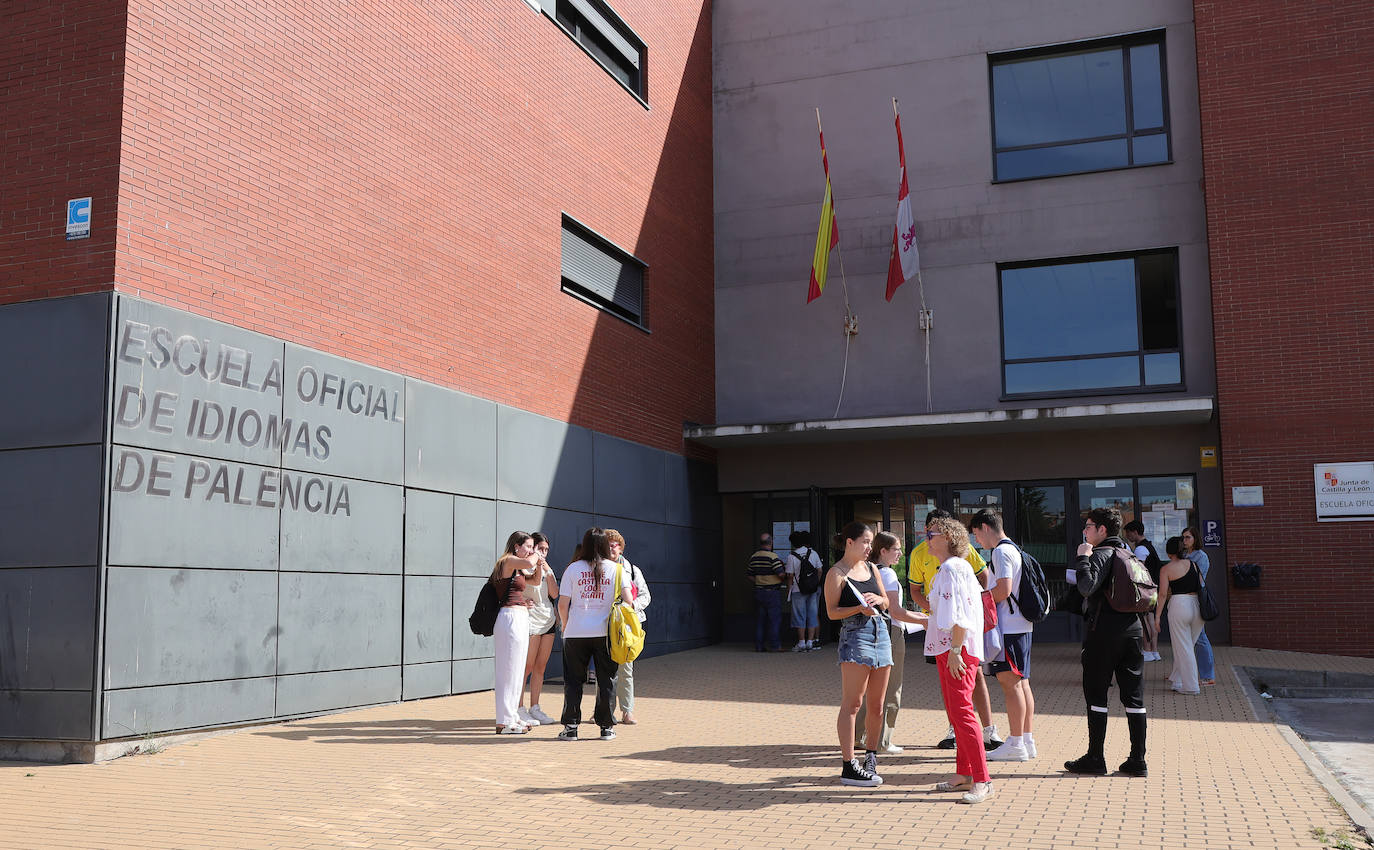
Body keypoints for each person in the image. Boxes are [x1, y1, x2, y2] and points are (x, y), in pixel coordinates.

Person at [908, 508, 1003, 751]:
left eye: (933, 534)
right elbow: (915, 591)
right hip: (941, 634)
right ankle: (955, 730)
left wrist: (977, 605)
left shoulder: (957, 559)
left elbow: (983, 576)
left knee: (973, 680)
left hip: (960, 636)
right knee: (953, 691)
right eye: (929, 533)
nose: (928, 538)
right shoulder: (919, 553)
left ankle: (989, 731)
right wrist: (935, 609)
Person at [1065, 507, 1148, 777]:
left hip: (1104, 633)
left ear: (1102, 530)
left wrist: (1082, 558)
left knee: (1097, 694)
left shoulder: (1101, 553)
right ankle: (1137, 760)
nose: (1084, 531)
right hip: (1133, 630)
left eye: (1088, 526)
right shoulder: (1127, 552)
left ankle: (1095, 758)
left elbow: (1086, 587)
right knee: (1134, 697)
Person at [924, 516, 993, 804]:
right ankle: (965, 773)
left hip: (957, 648)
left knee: (962, 712)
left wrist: (955, 650)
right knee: (957, 712)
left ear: (949, 538)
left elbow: (960, 614)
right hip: (952, 646)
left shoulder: (953, 568)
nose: (927, 538)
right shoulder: (952, 568)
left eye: (932, 534)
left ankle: (982, 779)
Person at [824, 521, 892, 787]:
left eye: (870, 542)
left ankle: (871, 757)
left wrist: (879, 601)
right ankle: (848, 765)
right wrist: (858, 609)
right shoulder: (836, 573)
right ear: (849, 542)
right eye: (865, 542)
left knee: (877, 705)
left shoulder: (872, 568)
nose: (869, 547)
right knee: (853, 703)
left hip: (881, 634)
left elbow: (886, 601)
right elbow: (832, 612)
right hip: (855, 636)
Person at [970, 510, 1037, 762]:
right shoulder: (1014, 549)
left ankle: (1016, 743)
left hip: (1008, 628)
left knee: (1011, 684)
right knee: (1021, 683)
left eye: (976, 534)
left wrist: (976, 601)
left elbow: (1003, 590)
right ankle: (1026, 740)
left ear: (985, 527)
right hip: (1021, 626)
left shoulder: (1000, 552)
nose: (977, 540)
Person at [557, 527, 634, 741]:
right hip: (606, 633)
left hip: (575, 632)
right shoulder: (617, 569)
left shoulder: (573, 569)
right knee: (607, 680)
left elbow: (562, 604)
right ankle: (606, 727)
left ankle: (571, 727)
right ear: (604, 546)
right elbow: (629, 602)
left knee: (573, 681)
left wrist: (566, 626)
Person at [856, 531, 927, 755]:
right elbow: (896, 611)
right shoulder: (887, 574)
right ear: (883, 551)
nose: (900, 554)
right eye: (896, 549)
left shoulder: (867, 570)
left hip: (873, 631)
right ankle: (883, 740)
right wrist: (924, 620)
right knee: (891, 688)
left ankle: (860, 736)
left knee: (870, 688)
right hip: (891, 633)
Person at [491, 531, 537, 734]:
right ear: (516, 546)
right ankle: (503, 721)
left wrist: (540, 565)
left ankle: (512, 716)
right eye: (528, 546)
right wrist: (536, 555)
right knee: (507, 671)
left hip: (519, 617)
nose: (531, 550)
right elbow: (529, 563)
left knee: (517, 670)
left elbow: (535, 580)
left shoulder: (518, 567)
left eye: (532, 547)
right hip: (508, 618)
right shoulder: (508, 560)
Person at [606, 529, 651, 725]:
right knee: (604, 670)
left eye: (614, 545)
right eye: (607, 545)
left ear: (621, 548)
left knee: (626, 669)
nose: (611, 548)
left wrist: (630, 607)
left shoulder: (632, 570)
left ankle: (627, 711)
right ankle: (603, 710)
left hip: (626, 627)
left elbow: (645, 596)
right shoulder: (598, 568)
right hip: (605, 624)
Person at [517, 532, 559, 728]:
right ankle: (519, 708)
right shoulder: (523, 567)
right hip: (531, 620)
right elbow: (516, 589)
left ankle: (535, 707)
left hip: (547, 620)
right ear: (532, 548)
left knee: (540, 667)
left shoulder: (546, 568)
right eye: (540, 548)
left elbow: (554, 593)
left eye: (546, 550)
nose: (543, 552)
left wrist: (547, 570)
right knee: (526, 667)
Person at [1155, 536, 1204, 695]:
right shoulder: (1194, 565)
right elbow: (1201, 585)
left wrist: (1157, 616)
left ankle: (1191, 686)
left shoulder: (1166, 569)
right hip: (1197, 606)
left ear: (1169, 553)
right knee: (1186, 646)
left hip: (1179, 604)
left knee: (1183, 648)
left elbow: (1163, 594)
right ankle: (1178, 680)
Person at [1124, 520, 1164, 662]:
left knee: (1145, 620)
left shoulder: (1140, 549)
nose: (1127, 536)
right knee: (1151, 620)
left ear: (1135, 532)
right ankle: (1154, 651)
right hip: (1153, 588)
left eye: (1128, 533)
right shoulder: (1149, 546)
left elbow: (1138, 572)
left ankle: (1147, 650)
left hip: (1145, 590)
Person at [1181, 526, 1215, 686]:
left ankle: (1207, 675)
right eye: (1183, 537)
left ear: (1195, 539)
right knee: (1183, 637)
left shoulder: (1201, 556)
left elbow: (1198, 579)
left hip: (1195, 598)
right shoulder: (1183, 555)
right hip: (1183, 598)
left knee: (1200, 637)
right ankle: (1180, 672)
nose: (1185, 540)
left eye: (1188, 537)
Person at [746, 533, 787, 652]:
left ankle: (759, 646)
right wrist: (785, 576)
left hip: (759, 591)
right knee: (774, 620)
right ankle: (775, 646)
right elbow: (780, 574)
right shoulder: (772, 557)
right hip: (772, 592)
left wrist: (760, 581)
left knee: (760, 621)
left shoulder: (754, 557)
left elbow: (749, 575)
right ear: (771, 543)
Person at [785, 530, 823, 651]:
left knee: (799, 615)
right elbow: (820, 570)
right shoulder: (813, 553)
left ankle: (801, 642)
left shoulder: (791, 556)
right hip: (812, 589)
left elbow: (790, 575)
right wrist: (815, 583)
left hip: (797, 590)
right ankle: (810, 642)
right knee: (812, 614)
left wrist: (789, 589)